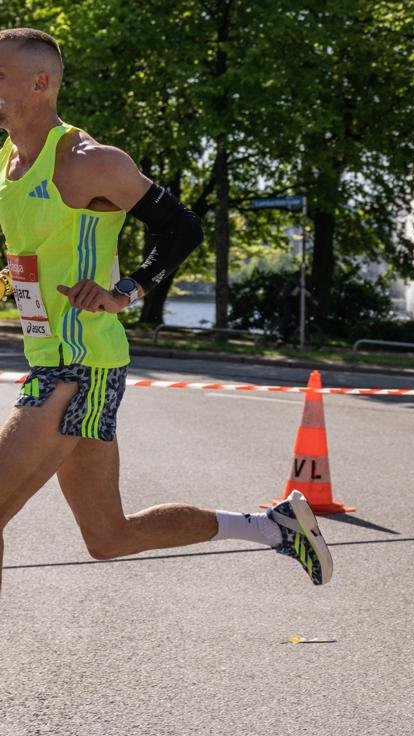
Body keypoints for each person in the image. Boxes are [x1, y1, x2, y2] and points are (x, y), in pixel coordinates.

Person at [0, 28, 331, 591]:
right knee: (108, 536)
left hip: (80, 366)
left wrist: (125, 291)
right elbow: (36, 244)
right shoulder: (9, 161)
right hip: (52, 355)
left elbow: (182, 227)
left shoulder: (88, 161)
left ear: (40, 83)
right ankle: (271, 526)